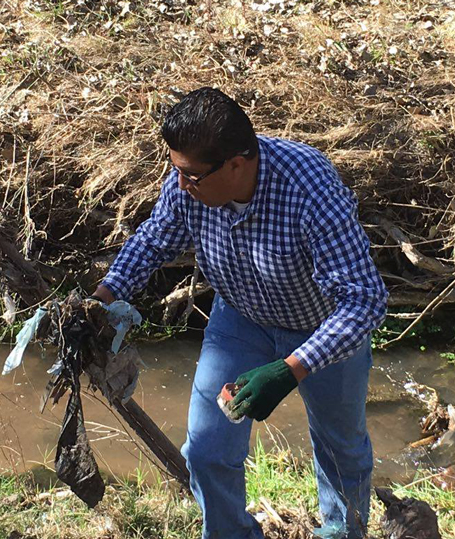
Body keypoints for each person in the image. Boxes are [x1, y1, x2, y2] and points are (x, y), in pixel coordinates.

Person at [93, 87, 388, 539]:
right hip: (240, 319)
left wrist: (291, 369)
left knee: (340, 451)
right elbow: (154, 239)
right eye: (176, 171)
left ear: (236, 164)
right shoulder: (190, 179)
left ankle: (341, 533)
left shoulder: (309, 188)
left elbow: (364, 299)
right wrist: (102, 299)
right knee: (206, 450)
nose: (181, 185)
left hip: (322, 327)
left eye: (191, 176)